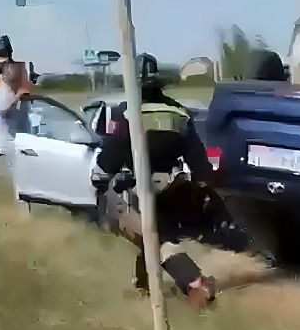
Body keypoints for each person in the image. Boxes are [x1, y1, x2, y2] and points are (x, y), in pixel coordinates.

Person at [96, 56, 231, 309]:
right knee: (153, 233)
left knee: (152, 237)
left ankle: (195, 282)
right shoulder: (180, 114)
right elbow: (201, 168)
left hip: (138, 191)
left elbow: (106, 166)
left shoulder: (124, 114)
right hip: (173, 191)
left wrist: (100, 182)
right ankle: (143, 286)